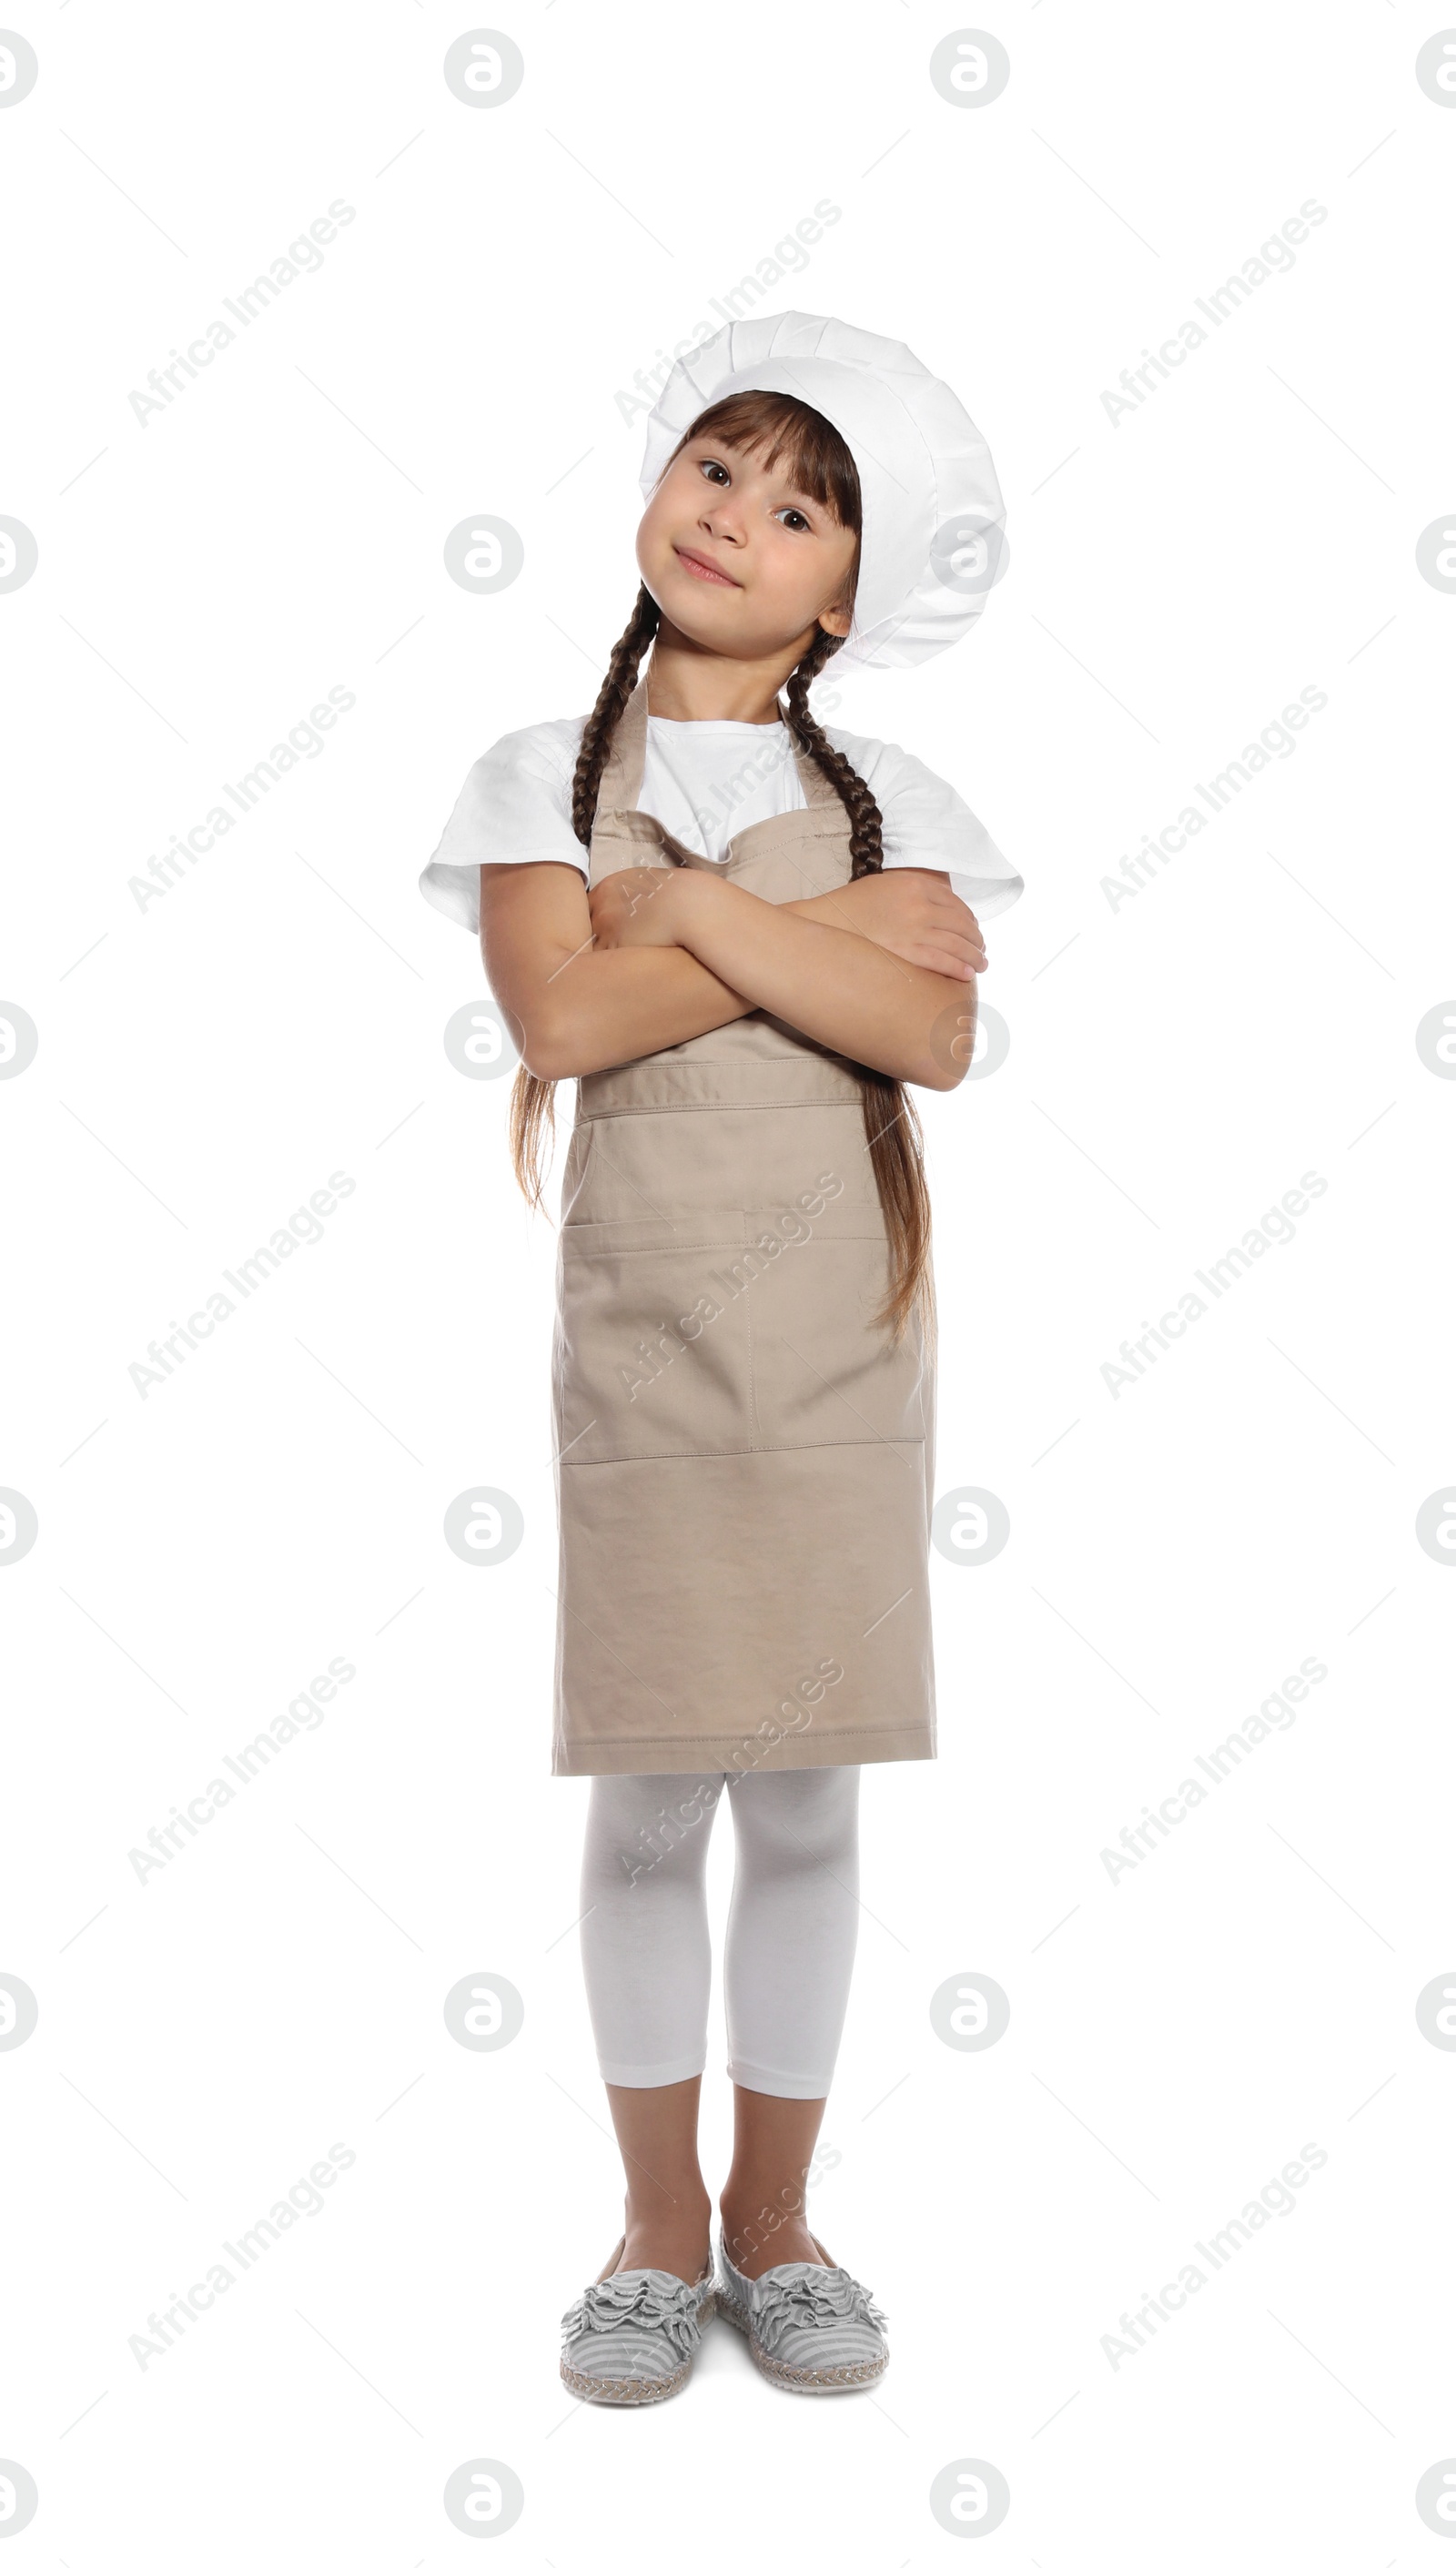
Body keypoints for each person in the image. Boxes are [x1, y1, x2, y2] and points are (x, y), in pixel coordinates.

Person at [419, 313, 1024, 2404]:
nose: (731, 518)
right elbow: (560, 1031)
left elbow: (933, 1035)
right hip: (650, 1339)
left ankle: (781, 2224)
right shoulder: (534, 776)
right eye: (713, 467)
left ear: (843, 595)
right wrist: (816, 947)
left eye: (793, 506)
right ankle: (653, 2230)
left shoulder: (904, 790)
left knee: (809, 1788)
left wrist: (665, 914)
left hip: (837, 1345)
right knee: (658, 1786)